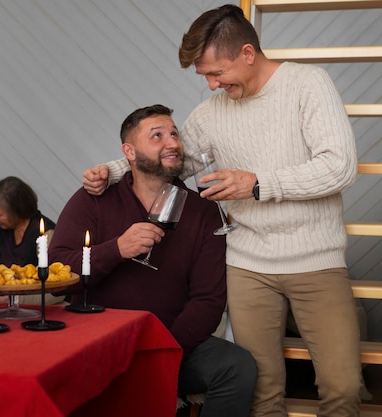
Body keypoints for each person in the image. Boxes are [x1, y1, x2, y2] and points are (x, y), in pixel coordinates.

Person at [82, 5, 361, 417]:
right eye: (205, 77)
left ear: (248, 54)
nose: (212, 85)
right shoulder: (212, 114)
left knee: (343, 388)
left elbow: (340, 167)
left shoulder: (308, 84)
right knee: (263, 393)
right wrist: (113, 169)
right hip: (247, 265)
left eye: (217, 73)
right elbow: (171, 158)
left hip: (316, 262)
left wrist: (259, 184)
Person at [52, 104, 257, 417]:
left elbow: (208, 300)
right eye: (157, 136)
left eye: (174, 134)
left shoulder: (202, 211)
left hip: (170, 344)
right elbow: (57, 271)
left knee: (236, 366)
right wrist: (116, 249)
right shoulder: (93, 199)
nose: (172, 142)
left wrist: (161, 349)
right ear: (129, 153)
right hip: (95, 342)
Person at [0, 176, 64, 307]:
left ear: (18, 211)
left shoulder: (45, 235)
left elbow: (56, 291)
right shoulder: (1, 231)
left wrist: (15, 299)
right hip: (4, 307)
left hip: (41, 308)